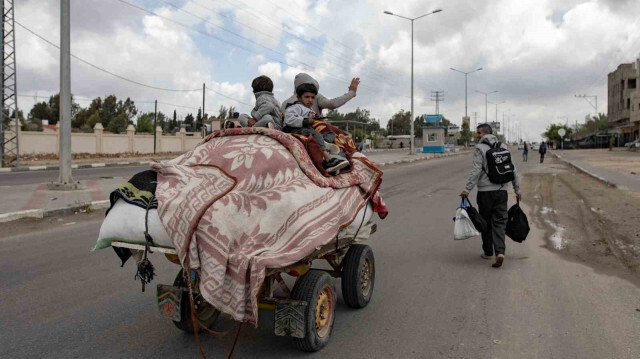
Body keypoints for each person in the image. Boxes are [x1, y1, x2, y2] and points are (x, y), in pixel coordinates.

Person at [460, 124, 521, 268]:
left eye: (479, 133)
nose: (477, 136)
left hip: (485, 193)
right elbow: (513, 169)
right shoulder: (503, 146)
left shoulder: (479, 148)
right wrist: (517, 189)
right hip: (501, 192)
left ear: (485, 133)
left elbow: (476, 170)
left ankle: (488, 252)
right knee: (500, 223)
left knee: (485, 222)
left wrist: (466, 189)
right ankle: (500, 252)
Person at [283, 82, 350, 175]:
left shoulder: (309, 109)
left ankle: (331, 151)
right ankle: (327, 158)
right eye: (307, 97)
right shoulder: (295, 107)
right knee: (316, 135)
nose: (310, 100)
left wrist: (316, 118)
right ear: (298, 97)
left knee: (330, 134)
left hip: (308, 130)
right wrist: (306, 121)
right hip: (296, 130)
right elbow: (289, 119)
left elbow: (311, 118)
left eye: (312, 97)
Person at [281, 73, 360, 115]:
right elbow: (331, 104)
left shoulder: (285, 103)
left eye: (312, 97)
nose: (310, 99)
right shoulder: (315, 96)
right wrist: (351, 92)